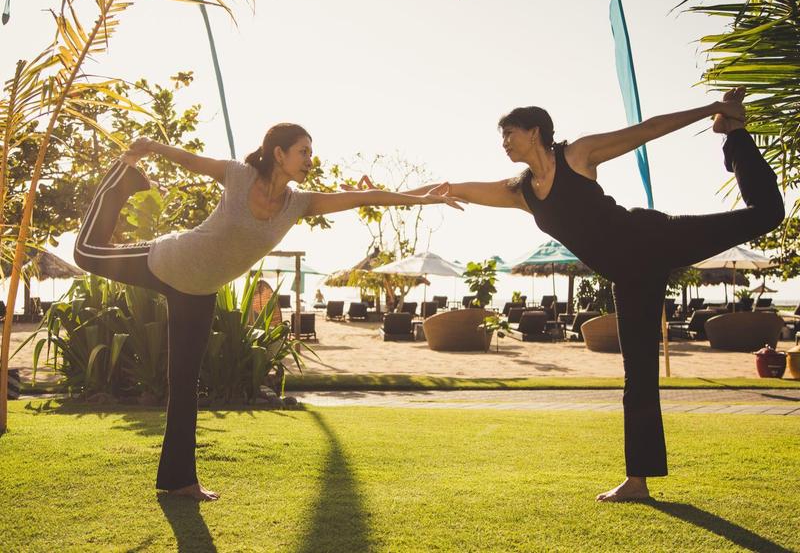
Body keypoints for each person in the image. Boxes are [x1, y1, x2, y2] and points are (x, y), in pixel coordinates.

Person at [411, 87, 784, 501]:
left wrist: (714, 108)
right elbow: (452, 189)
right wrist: (396, 198)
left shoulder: (577, 156)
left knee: (768, 213)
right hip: (630, 275)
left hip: (654, 238)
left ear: (535, 132)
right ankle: (637, 482)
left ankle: (732, 133)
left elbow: (647, 130)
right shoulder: (522, 192)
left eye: (510, 133)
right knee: (638, 375)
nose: (504, 143)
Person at [73, 122, 464, 501]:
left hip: (200, 291)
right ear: (279, 153)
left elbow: (368, 197)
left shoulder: (299, 203)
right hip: (169, 260)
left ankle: (180, 481)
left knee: (185, 385)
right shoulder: (239, 175)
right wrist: (153, 148)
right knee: (85, 253)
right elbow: (191, 159)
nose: (311, 159)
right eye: (304, 151)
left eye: (311, 152)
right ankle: (122, 182)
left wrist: (423, 199)